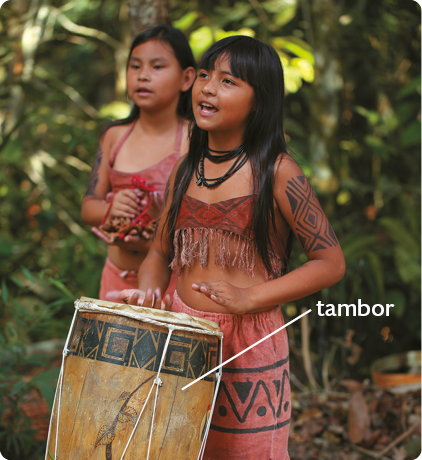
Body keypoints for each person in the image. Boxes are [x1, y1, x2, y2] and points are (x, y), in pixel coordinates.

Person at [108, 36, 346, 460]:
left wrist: (248, 297)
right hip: (182, 335)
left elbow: (330, 263)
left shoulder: (278, 171)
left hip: (249, 340)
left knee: (248, 452)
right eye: (204, 75)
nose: (208, 88)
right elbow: (159, 255)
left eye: (228, 80)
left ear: (260, 100)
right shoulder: (185, 169)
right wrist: (148, 295)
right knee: (179, 447)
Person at [81, 25, 196, 303]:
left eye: (157, 66)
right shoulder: (114, 136)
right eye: (135, 66)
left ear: (187, 78)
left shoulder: (194, 140)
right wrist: (111, 207)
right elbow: (88, 207)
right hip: (115, 278)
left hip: (171, 286)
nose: (143, 75)